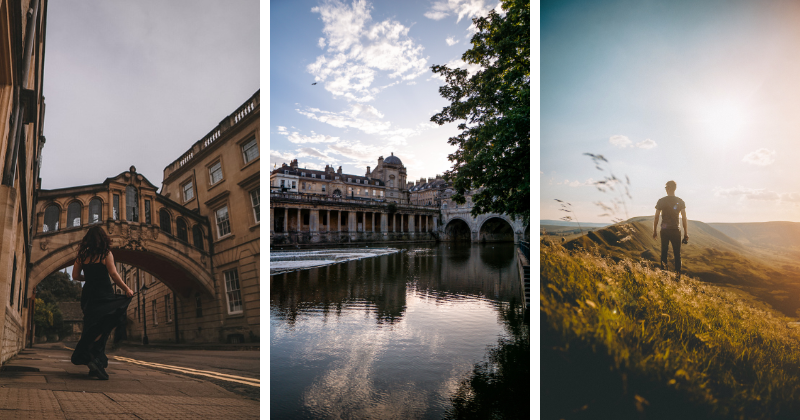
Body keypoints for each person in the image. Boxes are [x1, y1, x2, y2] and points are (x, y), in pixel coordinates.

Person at [70, 226, 134, 380]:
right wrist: (127, 289)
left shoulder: (81, 255)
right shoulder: (106, 254)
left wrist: (89, 278)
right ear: (103, 238)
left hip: (89, 295)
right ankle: (97, 360)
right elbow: (113, 273)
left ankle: (94, 361)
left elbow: (75, 276)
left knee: (91, 325)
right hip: (104, 293)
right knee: (105, 324)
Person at [653, 180, 689, 274]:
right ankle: (678, 277)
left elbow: (656, 217)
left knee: (664, 253)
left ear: (668, 188)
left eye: (665, 188)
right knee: (677, 254)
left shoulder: (661, 201)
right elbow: (684, 218)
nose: (665, 189)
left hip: (664, 231)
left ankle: (664, 276)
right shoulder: (680, 201)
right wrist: (685, 233)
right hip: (676, 230)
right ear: (674, 188)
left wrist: (654, 231)